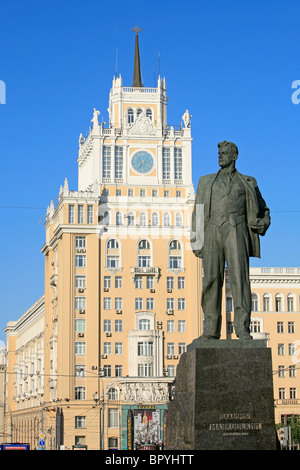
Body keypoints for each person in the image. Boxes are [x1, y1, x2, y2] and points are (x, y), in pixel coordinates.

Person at [191, 141, 270, 339]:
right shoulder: (205, 181)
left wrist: (263, 222)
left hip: (237, 231)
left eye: (224, 153)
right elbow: (198, 212)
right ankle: (210, 330)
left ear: (234, 156)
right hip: (212, 233)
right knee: (211, 280)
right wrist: (196, 241)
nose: (220, 156)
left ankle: (242, 328)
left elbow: (264, 210)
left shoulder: (248, 182)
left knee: (240, 280)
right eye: (219, 153)